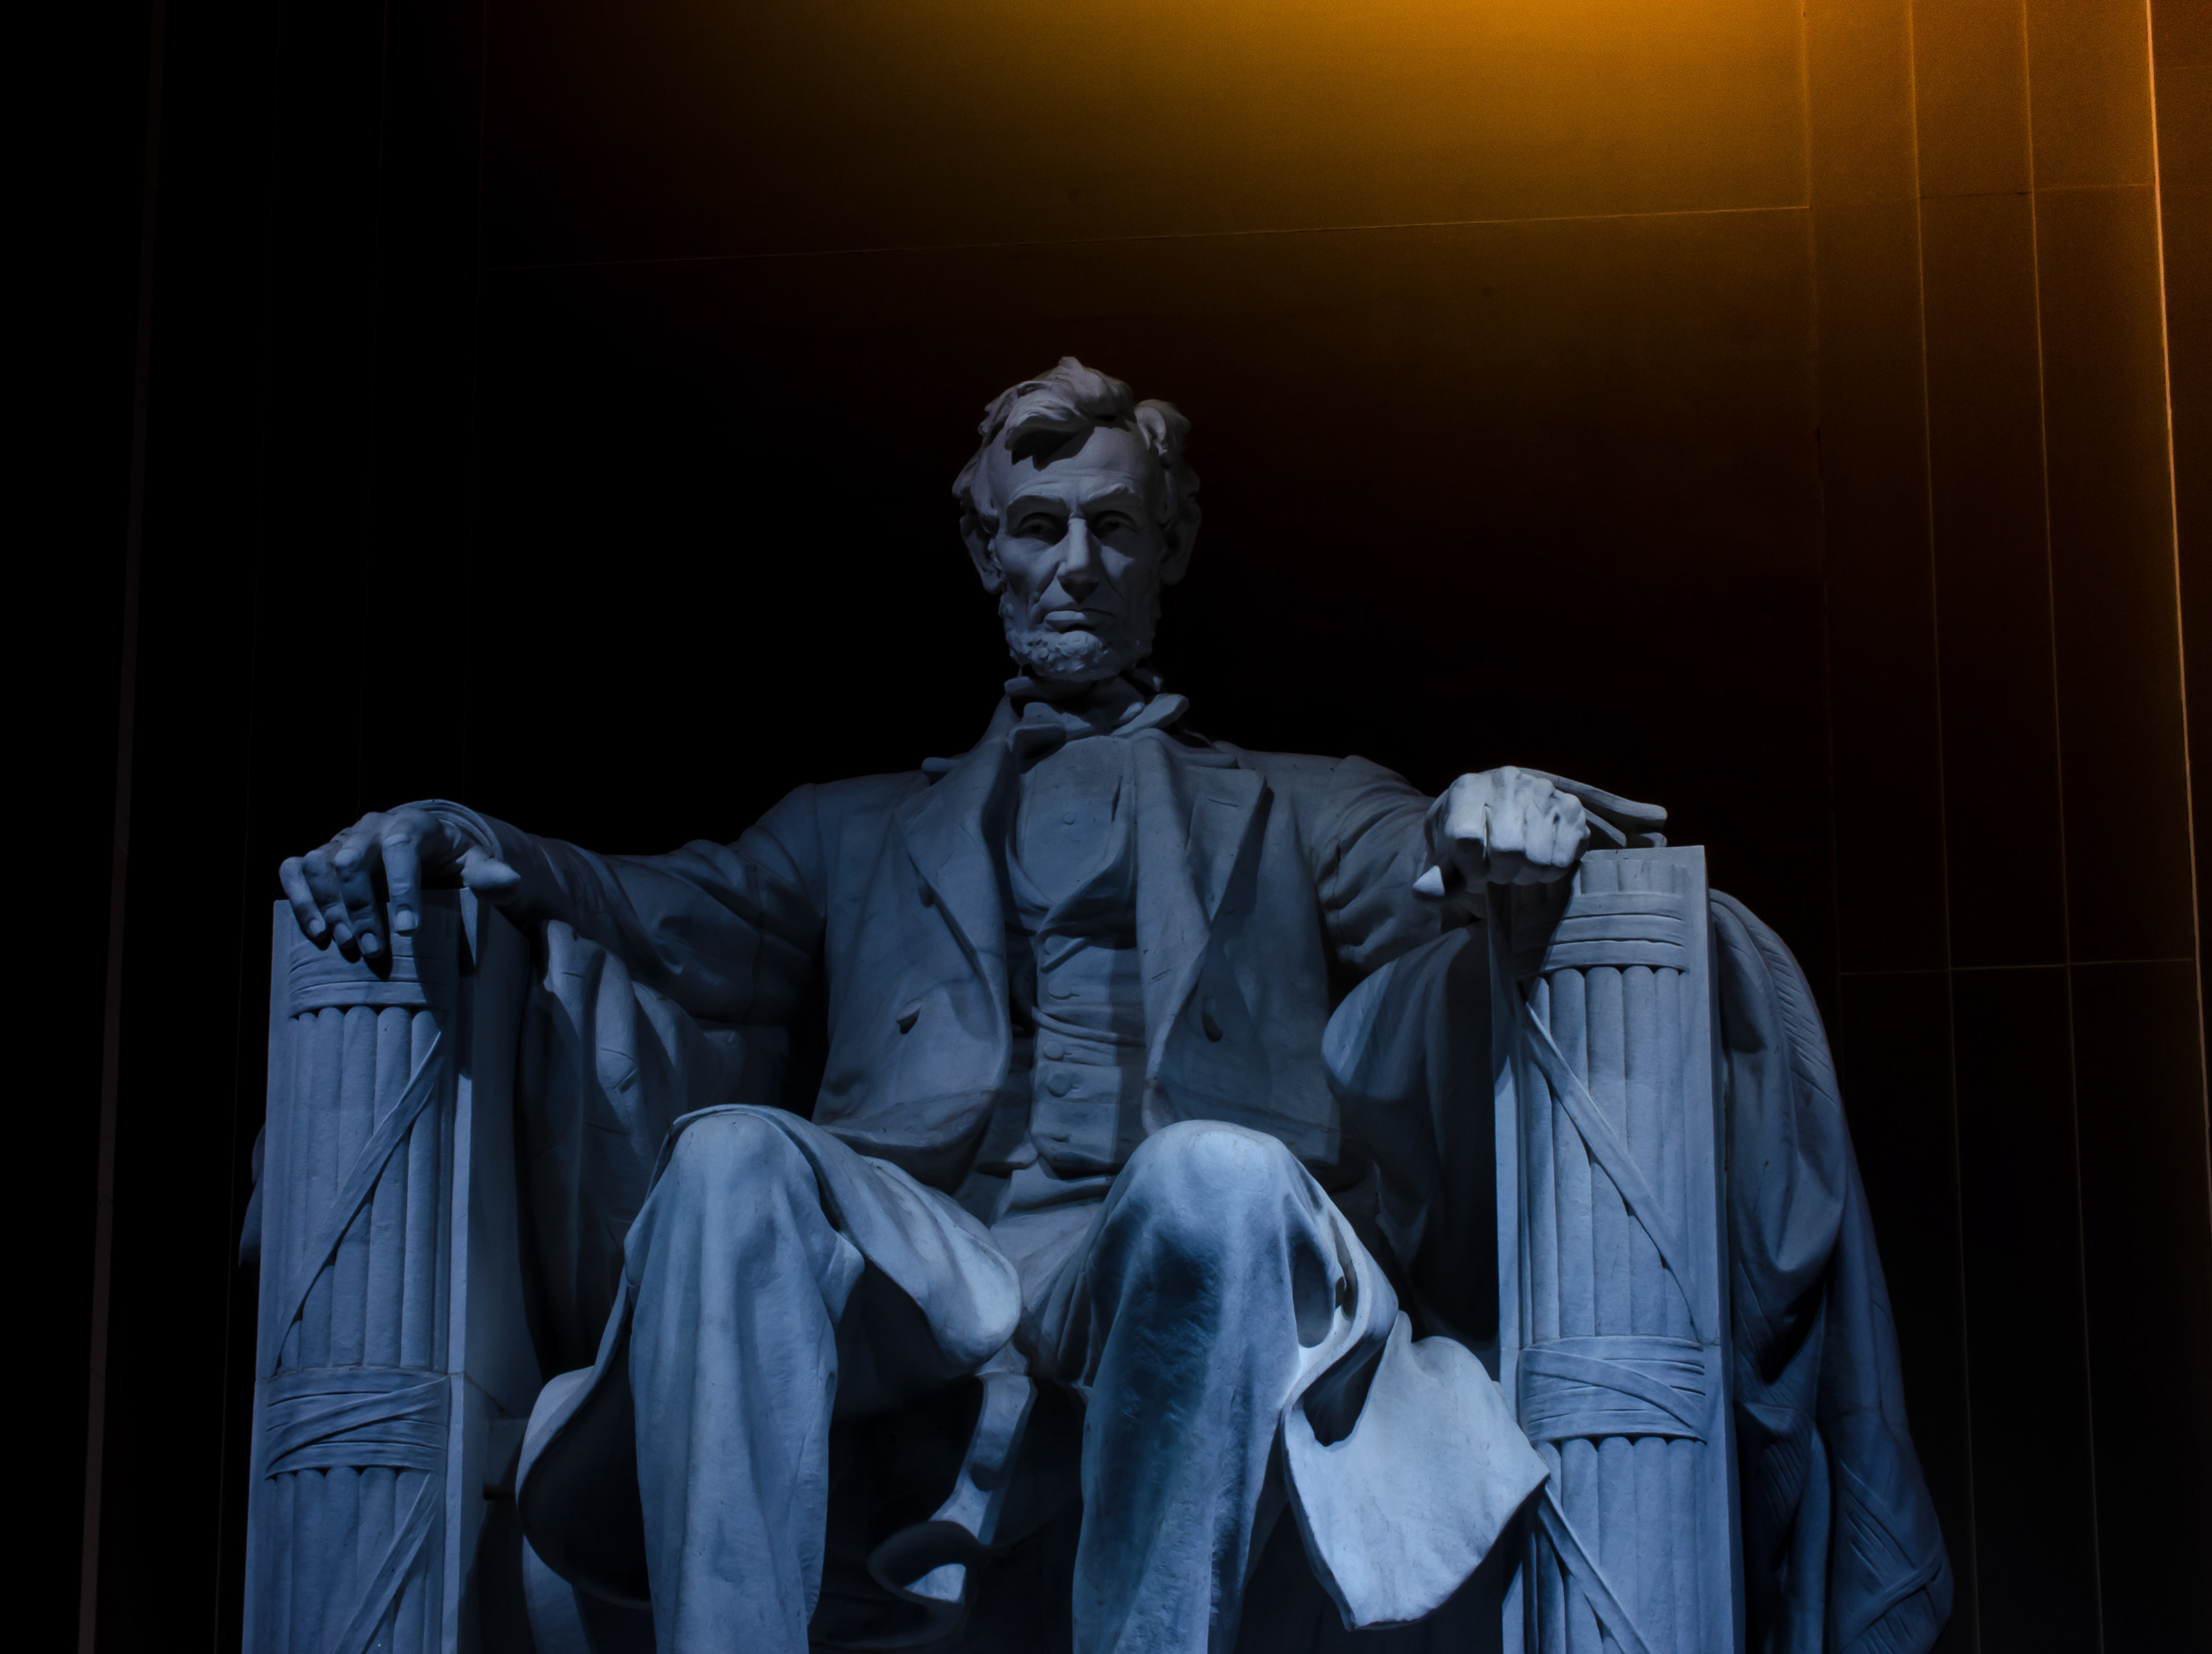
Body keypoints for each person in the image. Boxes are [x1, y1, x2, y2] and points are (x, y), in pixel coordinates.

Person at [280, 360, 1946, 1654]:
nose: (1074, 564)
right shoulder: (853, 829)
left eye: (1115, 526)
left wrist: (1486, 813)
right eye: (1035, 526)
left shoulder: (1297, 802)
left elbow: (1430, 872)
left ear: (1174, 548)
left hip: (1181, 1259)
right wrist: (473, 840)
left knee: (1215, 1174)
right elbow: (661, 914)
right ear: (979, 548)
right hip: (927, 1267)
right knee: (724, 1161)